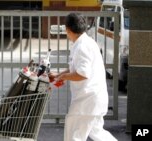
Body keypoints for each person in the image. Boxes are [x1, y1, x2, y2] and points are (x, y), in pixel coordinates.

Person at [49, 13, 118, 141]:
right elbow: (76, 68)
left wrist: (62, 77)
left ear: (68, 29)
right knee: (97, 133)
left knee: (74, 135)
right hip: (93, 99)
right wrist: (59, 75)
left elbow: (82, 74)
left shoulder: (82, 46)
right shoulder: (85, 42)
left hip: (87, 101)